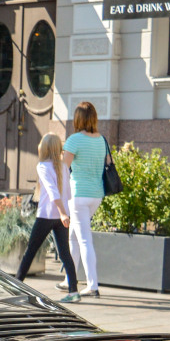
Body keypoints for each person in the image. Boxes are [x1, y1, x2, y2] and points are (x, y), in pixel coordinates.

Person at [16, 134, 81, 304]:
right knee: (65, 254)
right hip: (62, 216)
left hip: (47, 215)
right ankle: (74, 291)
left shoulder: (43, 166)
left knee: (30, 251)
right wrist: (64, 213)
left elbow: (53, 191)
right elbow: (67, 192)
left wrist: (61, 212)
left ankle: (16, 286)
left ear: (44, 148)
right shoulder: (64, 166)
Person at [62, 101, 107, 298]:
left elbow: (63, 168)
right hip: (96, 194)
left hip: (78, 194)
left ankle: (92, 285)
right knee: (73, 236)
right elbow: (106, 163)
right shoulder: (101, 140)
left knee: (84, 240)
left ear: (78, 119)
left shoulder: (74, 140)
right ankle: (68, 279)